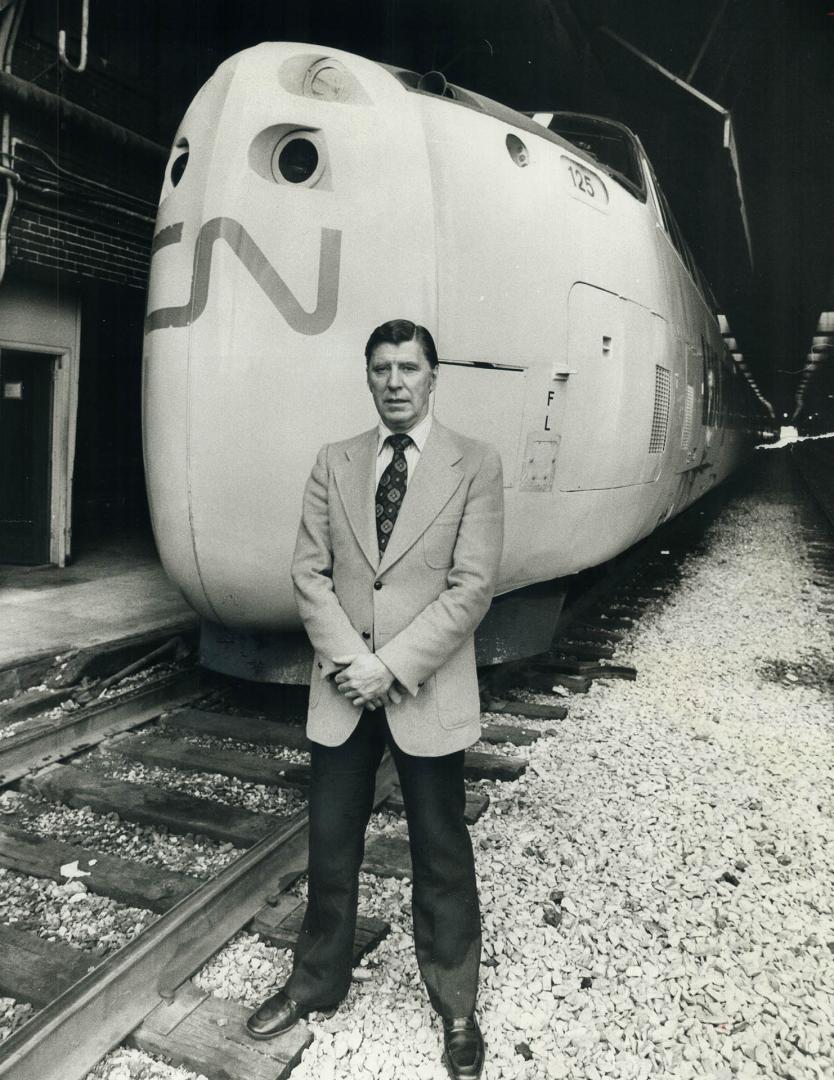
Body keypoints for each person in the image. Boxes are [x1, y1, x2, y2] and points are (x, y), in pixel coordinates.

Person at [246, 319, 504, 1080]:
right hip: (342, 688)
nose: (396, 381)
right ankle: (316, 983)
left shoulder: (475, 464)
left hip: (419, 688)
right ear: (368, 378)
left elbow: (472, 588)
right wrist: (351, 662)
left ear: (434, 377)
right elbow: (309, 573)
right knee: (330, 845)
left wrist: (387, 668)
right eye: (382, 369)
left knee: (442, 852)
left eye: (410, 368)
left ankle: (457, 1004)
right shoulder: (335, 462)